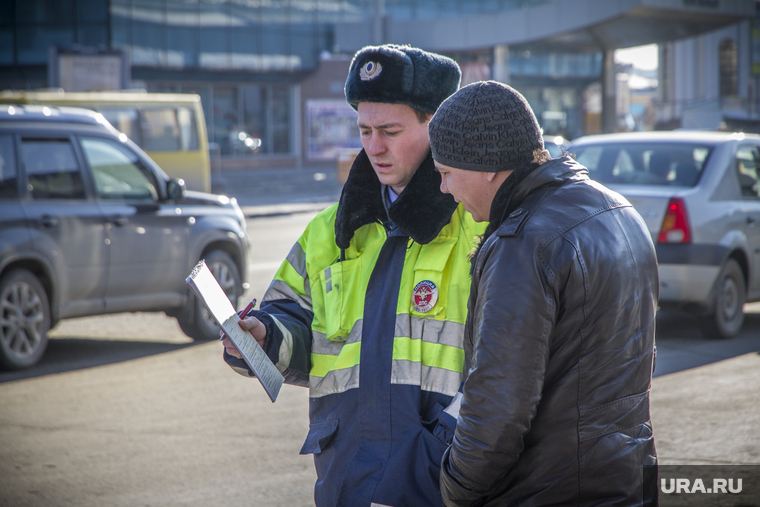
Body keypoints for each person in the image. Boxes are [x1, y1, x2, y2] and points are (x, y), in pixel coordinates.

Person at [222, 44, 485, 507]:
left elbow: (510, 364)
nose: (373, 147)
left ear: (437, 124)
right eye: (364, 130)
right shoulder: (326, 231)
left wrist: (446, 451)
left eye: (390, 130)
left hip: (445, 485)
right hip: (349, 479)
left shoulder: (477, 224)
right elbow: (298, 326)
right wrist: (264, 337)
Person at [428, 81, 659, 506]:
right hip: (627, 477)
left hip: (548, 489)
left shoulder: (522, 244)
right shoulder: (618, 211)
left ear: (485, 166)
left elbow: (498, 402)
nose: (444, 188)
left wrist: (456, 487)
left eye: (445, 172)